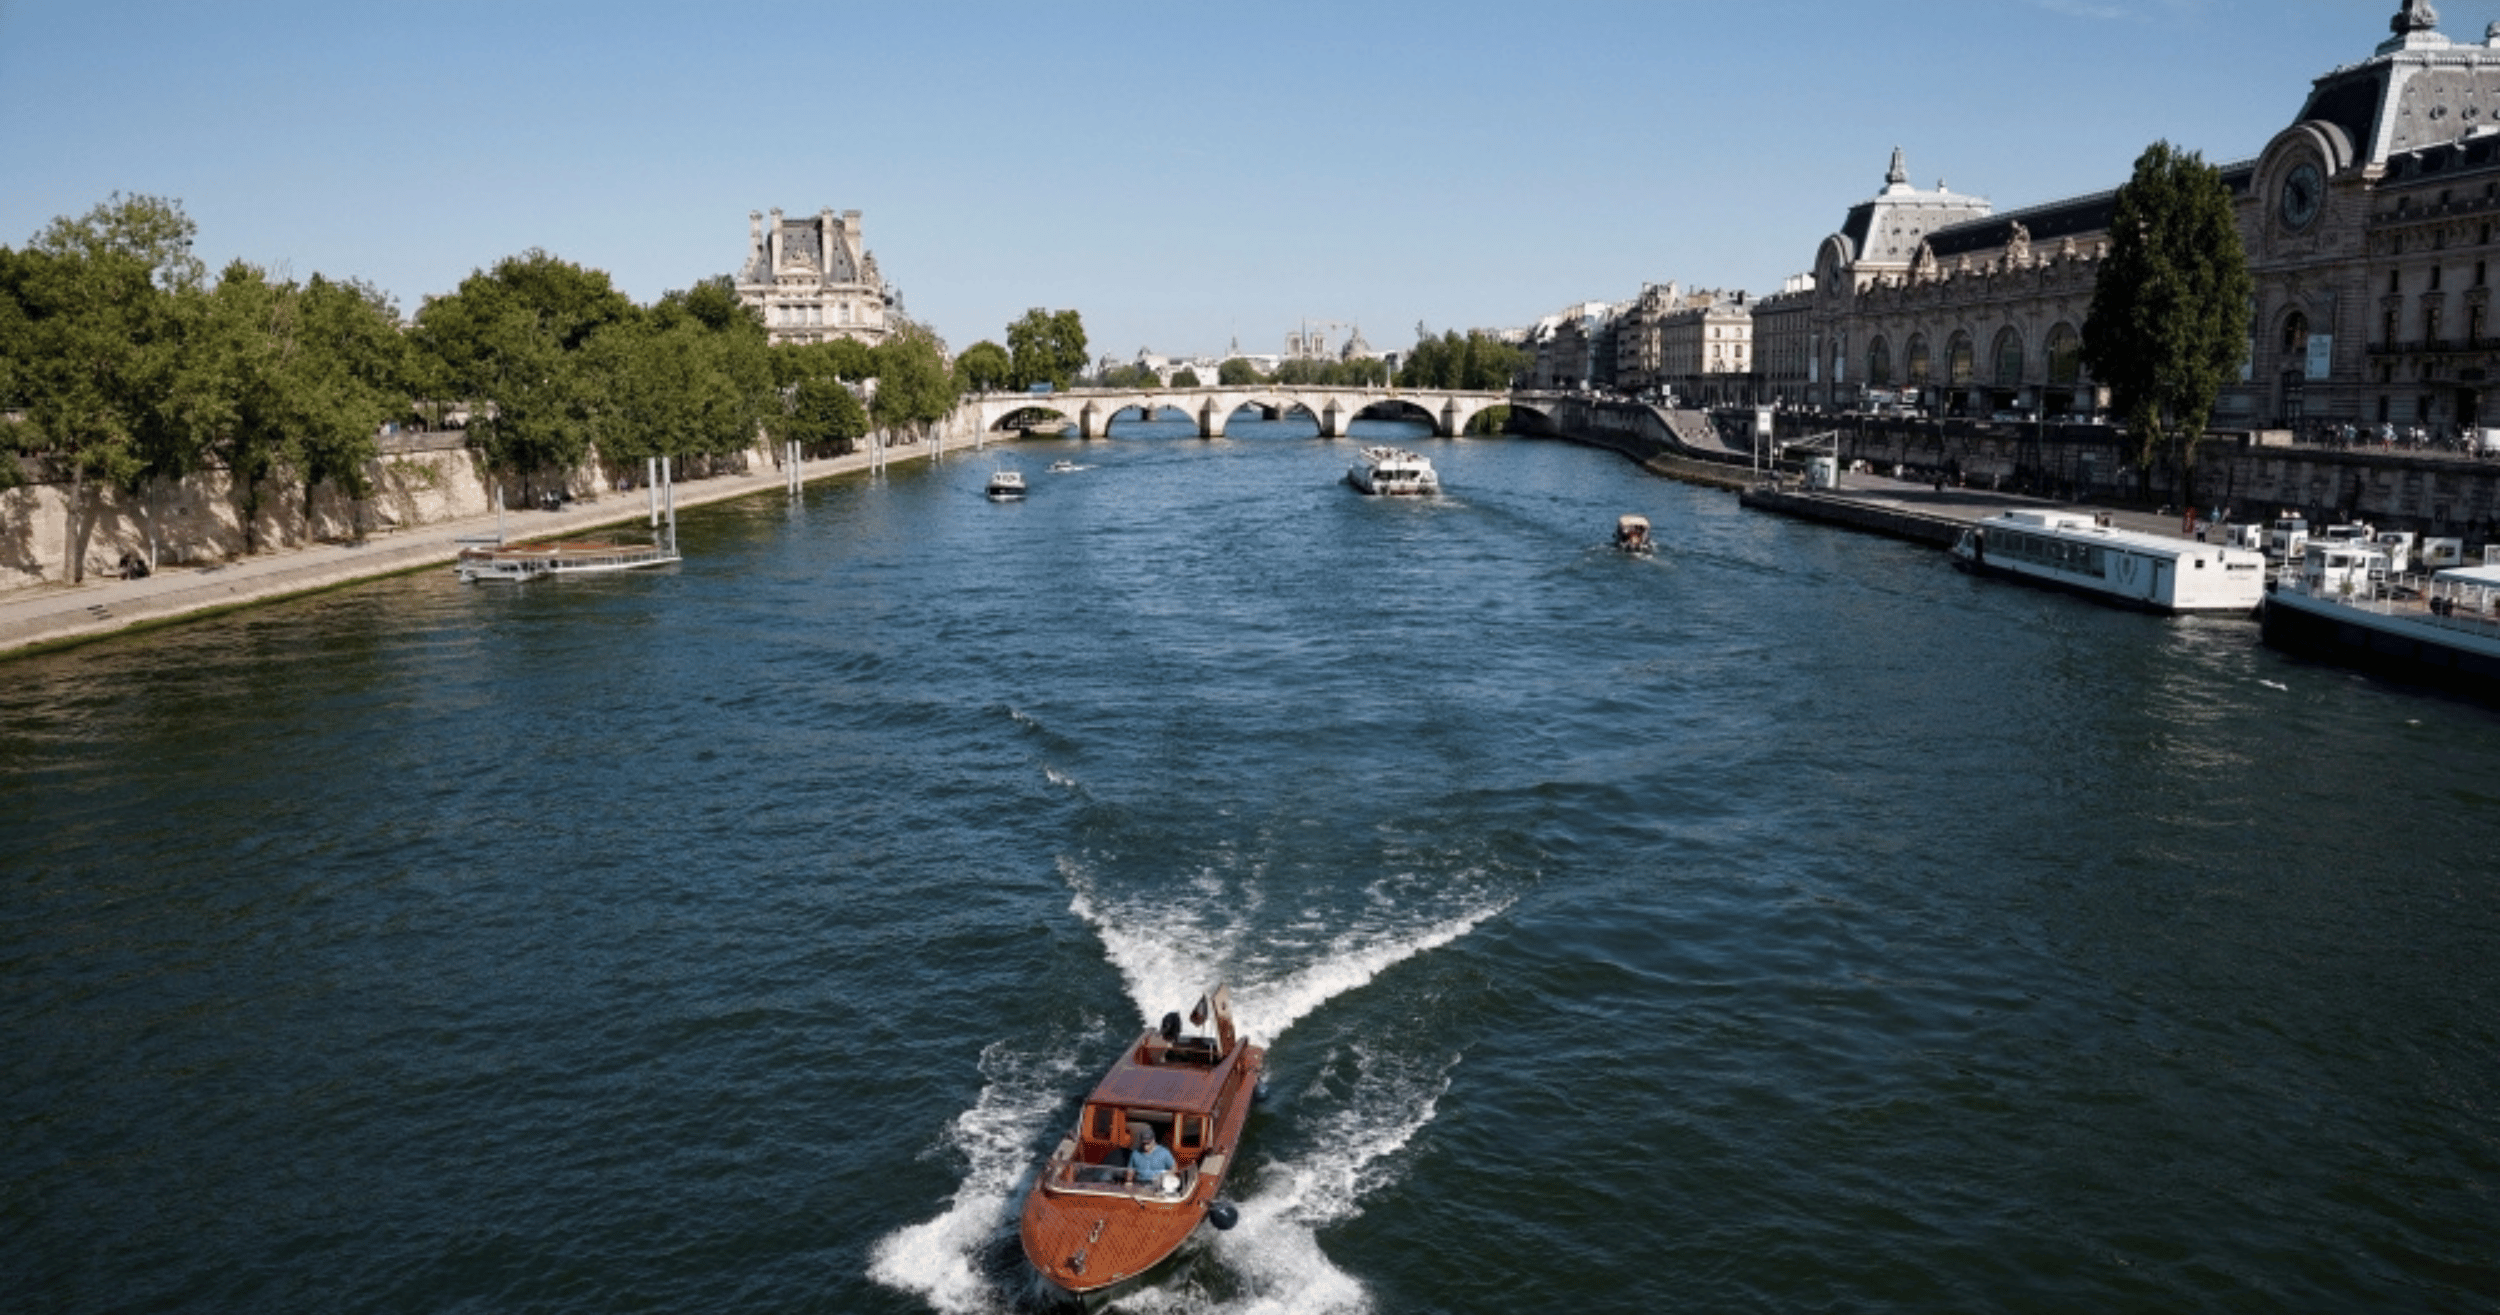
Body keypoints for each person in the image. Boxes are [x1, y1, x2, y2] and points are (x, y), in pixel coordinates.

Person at [1127, 1125, 1176, 1189]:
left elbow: (1174, 1168)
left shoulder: (1164, 1152)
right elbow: (1130, 1170)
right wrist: (1128, 1182)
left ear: (1153, 1140)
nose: (1145, 1146)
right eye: (1143, 1143)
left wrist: (1165, 1175)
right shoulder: (1135, 1153)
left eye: (1148, 1143)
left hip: (1158, 1186)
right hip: (1140, 1185)